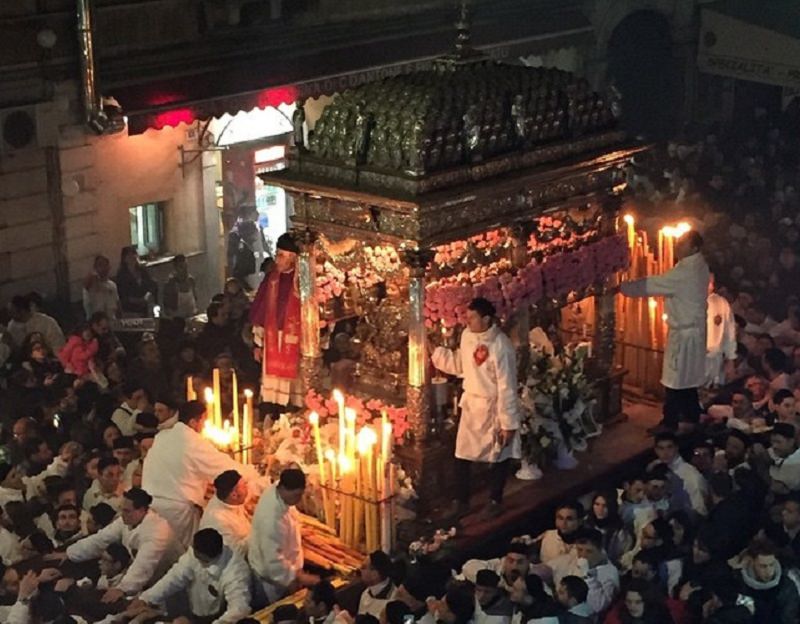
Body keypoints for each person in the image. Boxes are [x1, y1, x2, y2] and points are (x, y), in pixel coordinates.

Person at [431, 297, 521, 518]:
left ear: (487, 319)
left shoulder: (502, 346)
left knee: (498, 455)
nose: (467, 321)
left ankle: (494, 500)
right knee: (462, 454)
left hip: (493, 407)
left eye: (472, 317)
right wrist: (437, 354)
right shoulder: (467, 336)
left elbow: (507, 385)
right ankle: (462, 501)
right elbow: (462, 364)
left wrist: (508, 422)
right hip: (471, 405)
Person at [621, 231, 709, 431]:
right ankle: (691, 414)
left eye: (682, 243)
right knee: (686, 378)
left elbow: (654, 284)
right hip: (691, 330)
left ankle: (670, 421)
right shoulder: (697, 264)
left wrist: (623, 287)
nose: (678, 246)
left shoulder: (687, 272)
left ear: (694, 248)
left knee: (676, 378)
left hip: (685, 333)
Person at [142, 400, 259, 548]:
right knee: (178, 556)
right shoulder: (191, 441)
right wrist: (254, 473)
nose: (204, 427)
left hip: (151, 505)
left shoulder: (162, 436)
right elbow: (229, 471)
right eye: (203, 421)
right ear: (193, 422)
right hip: (176, 512)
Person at [54, 487, 180, 603]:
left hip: (170, 582)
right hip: (146, 580)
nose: (122, 514)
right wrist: (70, 553)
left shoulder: (157, 531)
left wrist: (122, 589)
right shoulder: (126, 520)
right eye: (121, 509)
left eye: (126, 511)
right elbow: (100, 539)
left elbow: (144, 565)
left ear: (141, 510)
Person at [126, 528, 251, 624]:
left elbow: (239, 609)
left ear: (206, 557)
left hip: (219, 617)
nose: (192, 553)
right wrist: (146, 598)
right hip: (194, 607)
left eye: (197, 555)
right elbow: (174, 577)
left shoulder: (236, 572)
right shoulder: (195, 552)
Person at [250, 232, 304, 406]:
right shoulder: (271, 279)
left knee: (295, 395)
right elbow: (261, 312)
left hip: (297, 343)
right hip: (272, 341)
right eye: (277, 254)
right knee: (272, 397)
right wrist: (258, 344)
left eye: (281, 255)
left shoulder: (304, 281)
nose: (277, 260)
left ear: (294, 258)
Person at [249, 468, 318, 602]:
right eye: (296, 496)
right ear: (284, 488)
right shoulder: (271, 518)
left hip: (285, 570)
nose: (298, 500)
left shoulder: (279, 493)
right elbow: (273, 560)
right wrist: (296, 576)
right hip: (271, 580)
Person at [198, 469, 252, 555]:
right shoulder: (218, 520)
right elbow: (235, 552)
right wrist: (258, 532)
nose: (247, 488)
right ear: (234, 495)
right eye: (244, 486)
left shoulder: (228, 499)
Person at [706, 273, 737, 388]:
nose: (709, 286)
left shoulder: (721, 303)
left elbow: (730, 333)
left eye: (711, 283)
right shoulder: (686, 303)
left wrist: (731, 359)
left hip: (715, 358)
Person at [358, 550, 397, 618]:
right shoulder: (365, 594)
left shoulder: (394, 601)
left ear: (375, 574)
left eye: (363, 567)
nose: (360, 569)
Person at [82, 254, 121, 320]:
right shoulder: (90, 285)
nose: (104, 268)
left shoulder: (112, 285)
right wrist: (95, 276)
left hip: (112, 320)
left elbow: (118, 304)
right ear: (95, 267)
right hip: (95, 323)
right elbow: (87, 283)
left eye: (106, 265)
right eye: (100, 265)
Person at [162, 254, 198, 319]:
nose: (185, 270)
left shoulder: (191, 281)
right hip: (178, 321)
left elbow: (196, 301)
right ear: (175, 268)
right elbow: (167, 310)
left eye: (186, 266)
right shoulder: (170, 284)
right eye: (181, 267)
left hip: (192, 318)